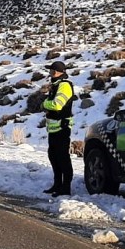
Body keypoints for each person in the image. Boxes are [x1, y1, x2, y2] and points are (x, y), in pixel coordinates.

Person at [41, 60, 76, 197]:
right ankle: (57, 185)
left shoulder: (64, 86)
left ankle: (65, 188)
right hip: (54, 129)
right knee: (54, 157)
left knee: (63, 159)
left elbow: (57, 105)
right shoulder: (56, 85)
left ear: (58, 72)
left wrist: (44, 103)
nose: (50, 73)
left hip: (62, 128)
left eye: (52, 71)